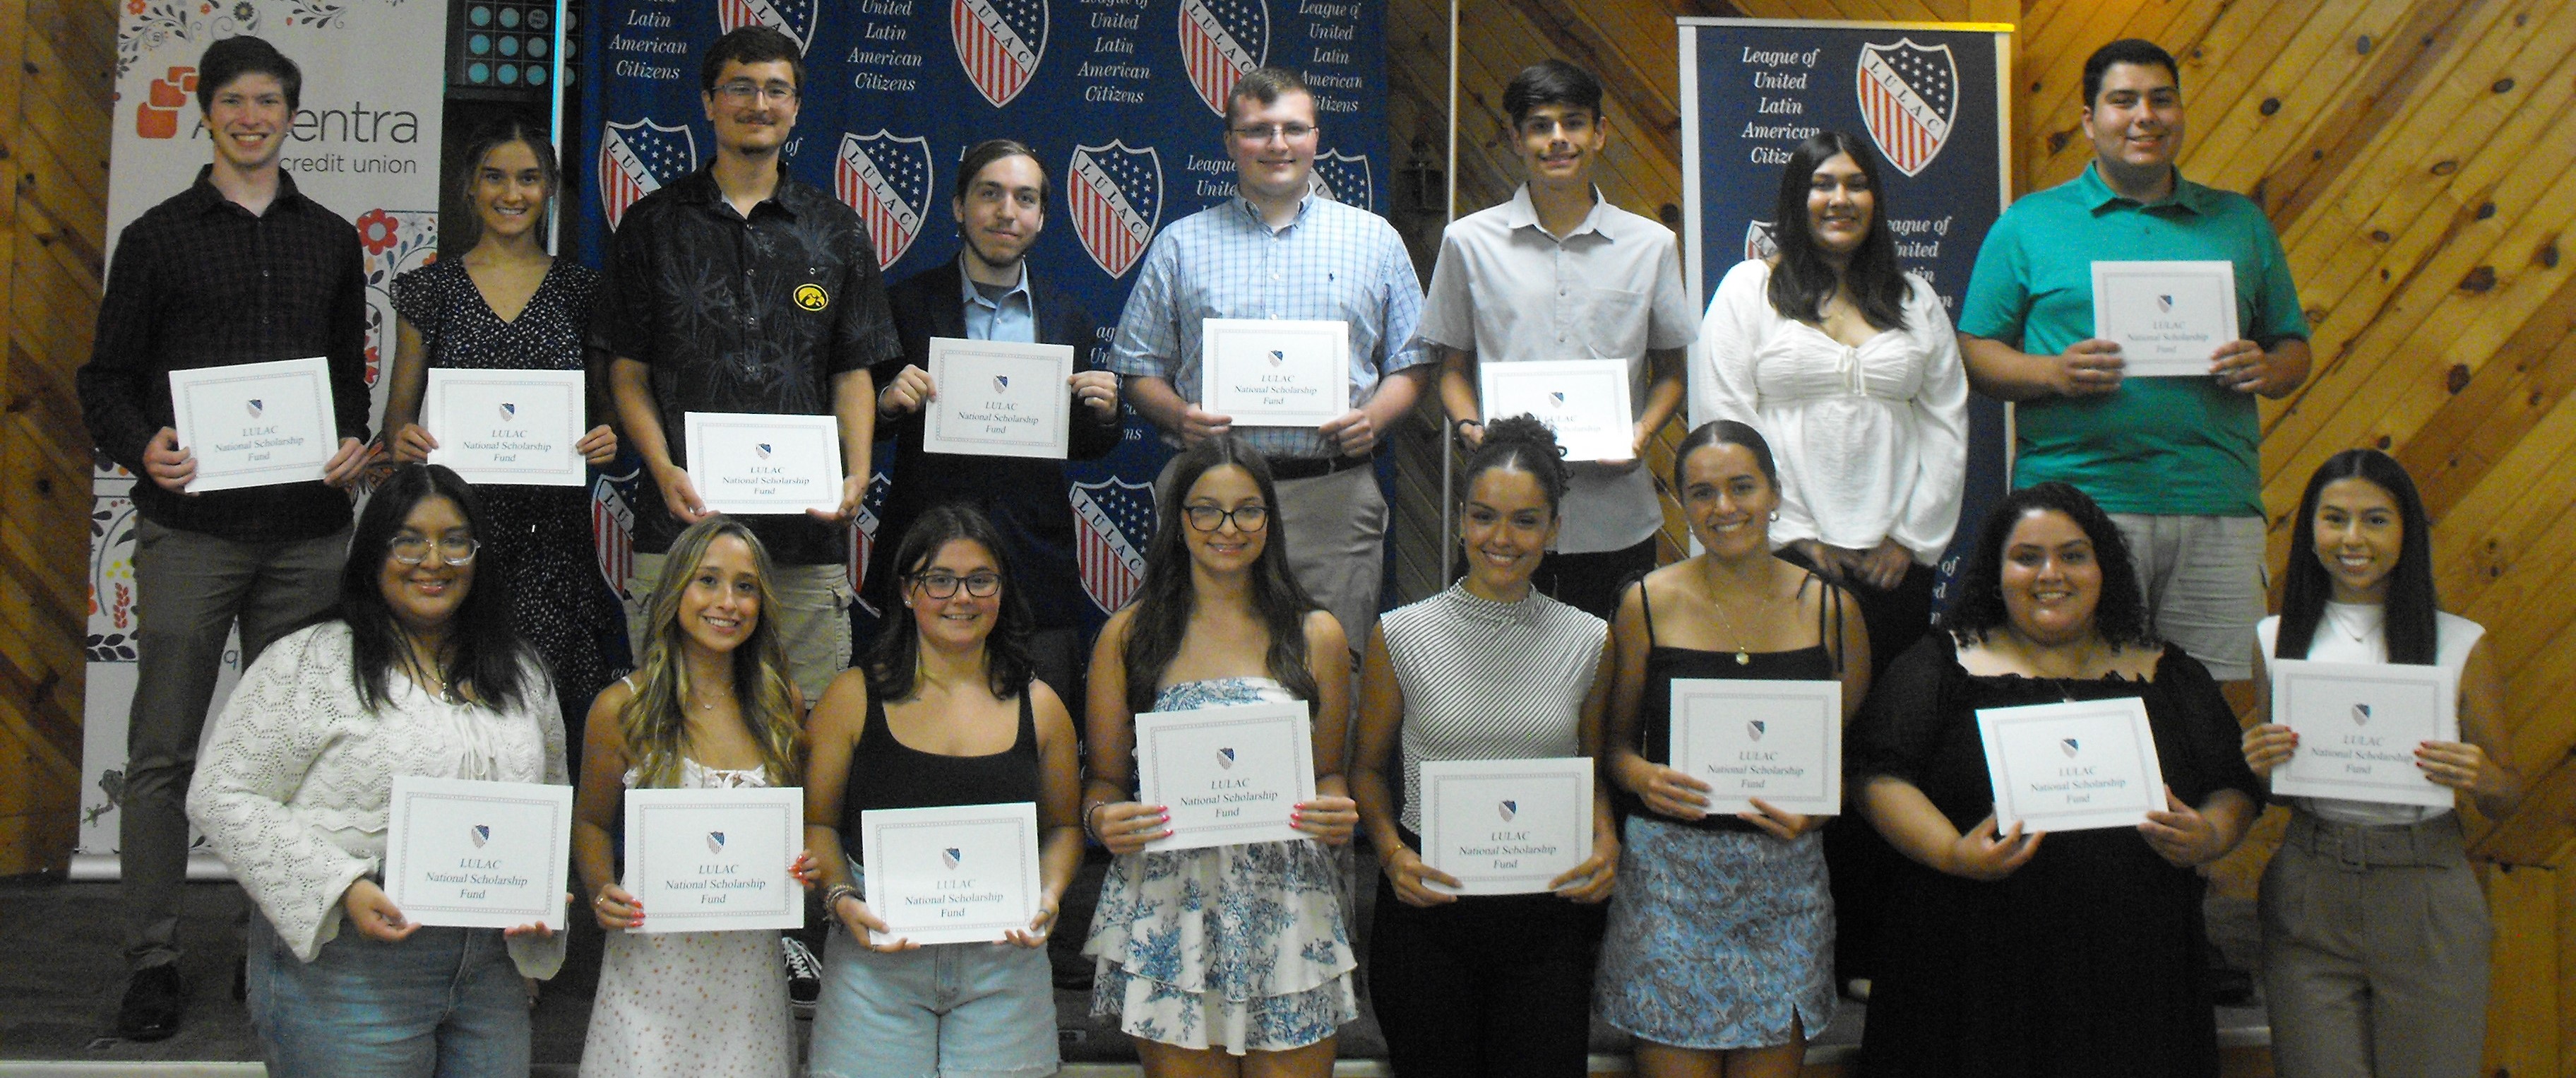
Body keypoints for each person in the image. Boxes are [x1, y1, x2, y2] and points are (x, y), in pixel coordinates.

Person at [75, 34, 376, 1040]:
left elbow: (346, 378)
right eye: (235, 102)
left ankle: (273, 935)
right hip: (193, 527)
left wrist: (350, 440)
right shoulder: (157, 237)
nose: (252, 118)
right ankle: (152, 955)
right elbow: (104, 380)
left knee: (296, 748)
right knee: (162, 749)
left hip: (305, 533)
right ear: (207, 113)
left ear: (292, 114)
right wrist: (142, 444)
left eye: (269, 102)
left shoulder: (331, 238)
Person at [1847, 482, 2260, 1077]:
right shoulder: (1942, 664)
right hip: (1973, 965)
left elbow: (2233, 782)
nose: (2050, 574)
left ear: (2104, 568)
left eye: (2073, 555)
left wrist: (2211, 834)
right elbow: (1876, 776)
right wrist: (1952, 852)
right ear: (1996, 574)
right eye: (2027, 557)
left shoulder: (2166, 671)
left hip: (2133, 968)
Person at [1696, 130, 1968, 997]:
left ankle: (1871, 947)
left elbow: (1947, 422)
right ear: (1796, 198)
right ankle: (1774, 943)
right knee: (1789, 753)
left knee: (1884, 754)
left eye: (1855, 183)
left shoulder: (1913, 300)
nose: (1839, 198)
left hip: (1893, 570)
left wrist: (1910, 540)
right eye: (1822, 184)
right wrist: (1792, 535)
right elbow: (1726, 417)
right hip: (1781, 565)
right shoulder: (1750, 291)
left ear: (1876, 200)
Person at [186, 464, 567, 1075]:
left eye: (455, 541)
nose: (433, 561)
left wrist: (541, 889)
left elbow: (550, 794)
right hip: (350, 965)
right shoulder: (310, 662)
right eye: (409, 541)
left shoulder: (521, 672)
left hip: (489, 971)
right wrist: (342, 887)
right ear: (373, 552)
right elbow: (222, 795)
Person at [1957, 37, 2311, 684]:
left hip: (2216, 502)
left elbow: (2294, 350)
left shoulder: (2239, 222)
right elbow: (1975, 353)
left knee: (2213, 703)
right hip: (2076, 509)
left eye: (2161, 99)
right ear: (2090, 121)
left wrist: (2268, 367)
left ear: (2180, 113)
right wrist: (2052, 373)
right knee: (2077, 693)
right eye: (2123, 101)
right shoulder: (2029, 224)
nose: (2145, 116)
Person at [596, 24, 899, 704]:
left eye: (775, 90)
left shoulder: (838, 229)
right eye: (740, 87)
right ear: (709, 102)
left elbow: (852, 371)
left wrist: (855, 472)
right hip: (681, 532)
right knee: (673, 724)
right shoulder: (651, 225)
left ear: (795, 108)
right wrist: (662, 468)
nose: (758, 104)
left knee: (806, 725)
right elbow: (627, 373)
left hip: (804, 538)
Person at [1106, 66, 1431, 646]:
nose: (1277, 144)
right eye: (1258, 130)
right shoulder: (1181, 243)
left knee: (1334, 669)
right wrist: (1179, 416)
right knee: (1201, 662)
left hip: (1331, 499)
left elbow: (1412, 362)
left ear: (1316, 138)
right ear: (1230, 142)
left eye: (1293, 129)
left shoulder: (1375, 239)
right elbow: (1137, 367)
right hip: (1210, 497)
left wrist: (1374, 418)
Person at [1079, 436, 1363, 1074]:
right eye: (1206, 510)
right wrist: (1103, 820)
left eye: (1247, 510)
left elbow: (1329, 774)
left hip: (1288, 907)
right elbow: (1102, 783)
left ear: (1270, 521)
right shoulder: (1129, 635)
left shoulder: (1316, 634)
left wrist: (1335, 807)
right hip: (1170, 908)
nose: (1227, 528)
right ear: (1178, 522)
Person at [1595, 421, 1870, 1077]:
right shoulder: (1646, 603)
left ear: (1775, 493)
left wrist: (1820, 806)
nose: (1724, 507)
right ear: (1683, 505)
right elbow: (1613, 747)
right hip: (1669, 888)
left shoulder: (1833, 612)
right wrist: (1642, 776)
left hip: (1784, 890)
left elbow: (1840, 762)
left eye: (1742, 487)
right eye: (1702, 493)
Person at [2240, 449, 2523, 1078]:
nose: (2352, 539)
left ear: (2406, 532)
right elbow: (2279, 791)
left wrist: (2481, 776)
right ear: (2310, 530)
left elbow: (2508, 793)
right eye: (2334, 519)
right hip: (2311, 886)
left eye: (2375, 520)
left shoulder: (2461, 641)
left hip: (2426, 888)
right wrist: (2260, 764)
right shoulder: (2274, 638)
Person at [1351, 415, 1618, 1077]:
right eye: (1484, 517)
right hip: (1429, 909)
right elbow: (1367, 772)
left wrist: (1607, 840)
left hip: (1547, 914)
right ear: (1461, 520)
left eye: (1525, 521)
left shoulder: (1590, 640)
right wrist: (1390, 855)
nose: (1502, 538)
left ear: (1554, 529)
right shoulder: (1402, 635)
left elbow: (1589, 772)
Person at [802, 503, 1087, 1078]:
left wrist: (1049, 894)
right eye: (940, 580)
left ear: (1002, 591)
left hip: (1004, 963)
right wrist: (840, 898)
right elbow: (817, 824)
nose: (962, 597)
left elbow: (1063, 828)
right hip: (875, 959)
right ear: (908, 591)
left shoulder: (1042, 707)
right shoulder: (851, 697)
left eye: (981, 580)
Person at [384, 119, 624, 755]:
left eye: (528, 178)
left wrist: (606, 440)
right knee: (451, 720)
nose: (511, 193)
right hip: (453, 543)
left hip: (553, 543)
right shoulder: (430, 290)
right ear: (470, 187)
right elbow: (396, 421)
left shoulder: (582, 291)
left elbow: (606, 416)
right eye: (495, 177)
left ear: (550, 189)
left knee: (545, 725)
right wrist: (403, 442)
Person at [1424, 60, 1697, 620]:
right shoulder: (1467, 242)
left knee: (1612, 667)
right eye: (1540, 126)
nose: (1557, 139)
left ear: (1599, 133)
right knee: (1495, 666)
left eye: (1573, 123)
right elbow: (1450, 368)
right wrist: (1471, 428)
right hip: (1504, 521)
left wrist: (1643, 434)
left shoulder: (1651, 246)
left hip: (1615, 519)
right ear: (1515, 138)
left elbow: (1673, 372)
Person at [869, 139, 1123, 697]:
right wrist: (887, 400)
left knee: (1041, 726)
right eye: (990, 194)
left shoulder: (1068, 316)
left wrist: (1105, 413)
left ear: (1042, 216)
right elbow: (860, 419)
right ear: (959, 206)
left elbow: (1080, 442)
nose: (1007, 211)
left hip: (1033, 565)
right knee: (910, 722)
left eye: (1025, 198)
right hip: (926, 558)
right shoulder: (905, 305)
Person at [573, 517, 809, 1076]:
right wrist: (601, 888)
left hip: (747, 981)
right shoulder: (622, 708)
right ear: (675, 587)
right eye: (708, 580)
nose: (728, 602)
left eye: (746, 587)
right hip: (650, 973)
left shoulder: (783, 704)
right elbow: (591, 823)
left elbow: (792, 830)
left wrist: (804, 867)